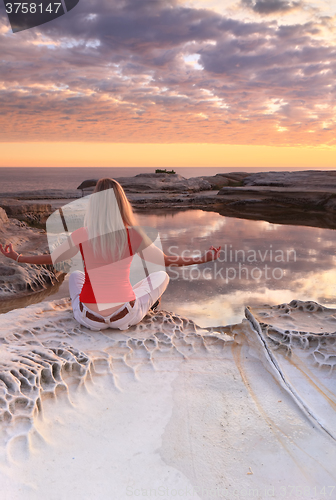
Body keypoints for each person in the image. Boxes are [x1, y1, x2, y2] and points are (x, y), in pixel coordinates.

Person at [0, 178, 221, 331]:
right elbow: (166, 262)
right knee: (162, 276)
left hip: (89, 319)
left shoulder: (82, 234)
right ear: (121, 204)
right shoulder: (133, 235)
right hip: (125, 315)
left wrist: (18, 257)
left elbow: (54, 259)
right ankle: (145, 306)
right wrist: (204, 258)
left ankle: (103, 302)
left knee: (76, 274)